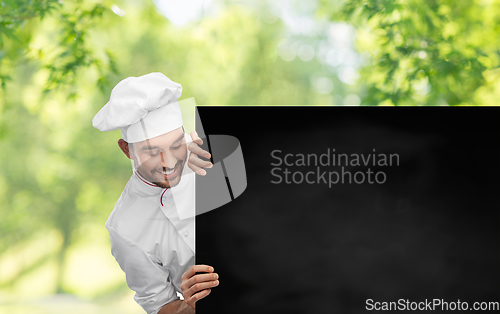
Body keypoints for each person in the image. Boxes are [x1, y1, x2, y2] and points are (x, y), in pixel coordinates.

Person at [92, 72, 218, 313]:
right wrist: (190, 305)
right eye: (151, 152)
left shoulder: (212, 160)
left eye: (176, 145)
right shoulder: (125, 227)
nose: (169, 162)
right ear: (126, 150)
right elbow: (161, 305)